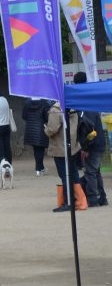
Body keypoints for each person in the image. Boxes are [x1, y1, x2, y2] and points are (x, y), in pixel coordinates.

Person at [71, 72, 108, 207]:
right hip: (98, 142)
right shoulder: (90, 98)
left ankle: (93, 199)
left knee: (90, 173)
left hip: (92, 144)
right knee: (96, 172)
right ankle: (102, 198)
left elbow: (89, 128)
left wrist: (85, 147)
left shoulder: (81, 103)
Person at [45, 101, 87, 212]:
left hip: (60, 147)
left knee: (64, 174)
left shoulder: (55, 110)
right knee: (73, 172)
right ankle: (80, 200)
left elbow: (51, 130)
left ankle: (68, 201)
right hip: (72, 146)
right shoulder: (73, 107)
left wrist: (45, 129)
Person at [21, 98, 50, 176]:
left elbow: (24, 116)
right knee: (41, 149)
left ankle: (40, 168)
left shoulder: (27, 103)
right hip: (41, 128)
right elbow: (47, 117)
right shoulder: (44, 102)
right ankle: (39, 168)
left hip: (31, 127)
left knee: (36, 150)